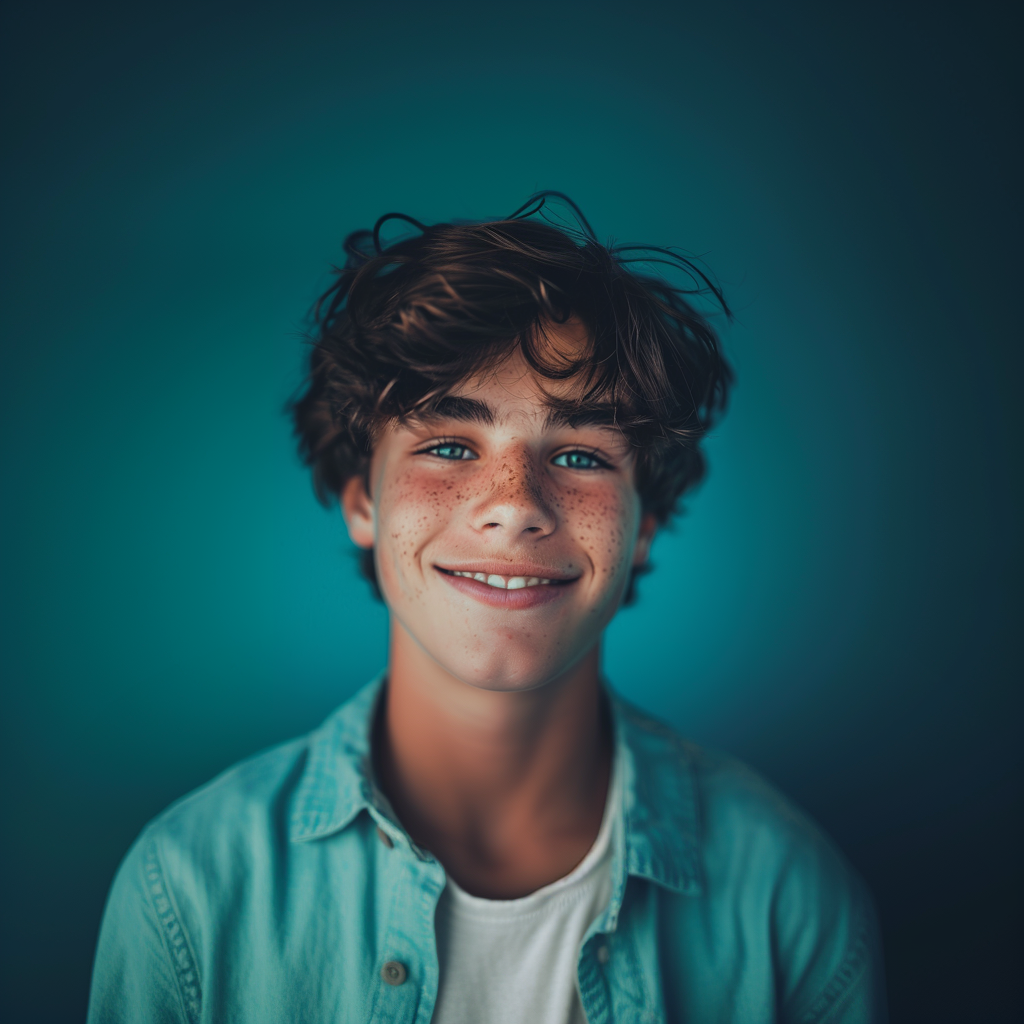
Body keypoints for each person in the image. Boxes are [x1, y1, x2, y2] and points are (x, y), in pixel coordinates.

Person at [87, 194, 887, 1023]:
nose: (514, 505)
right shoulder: (188, 890)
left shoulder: (787, 896)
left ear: (645, 522)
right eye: (447, 446)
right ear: (363, 499)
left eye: (579, 454)